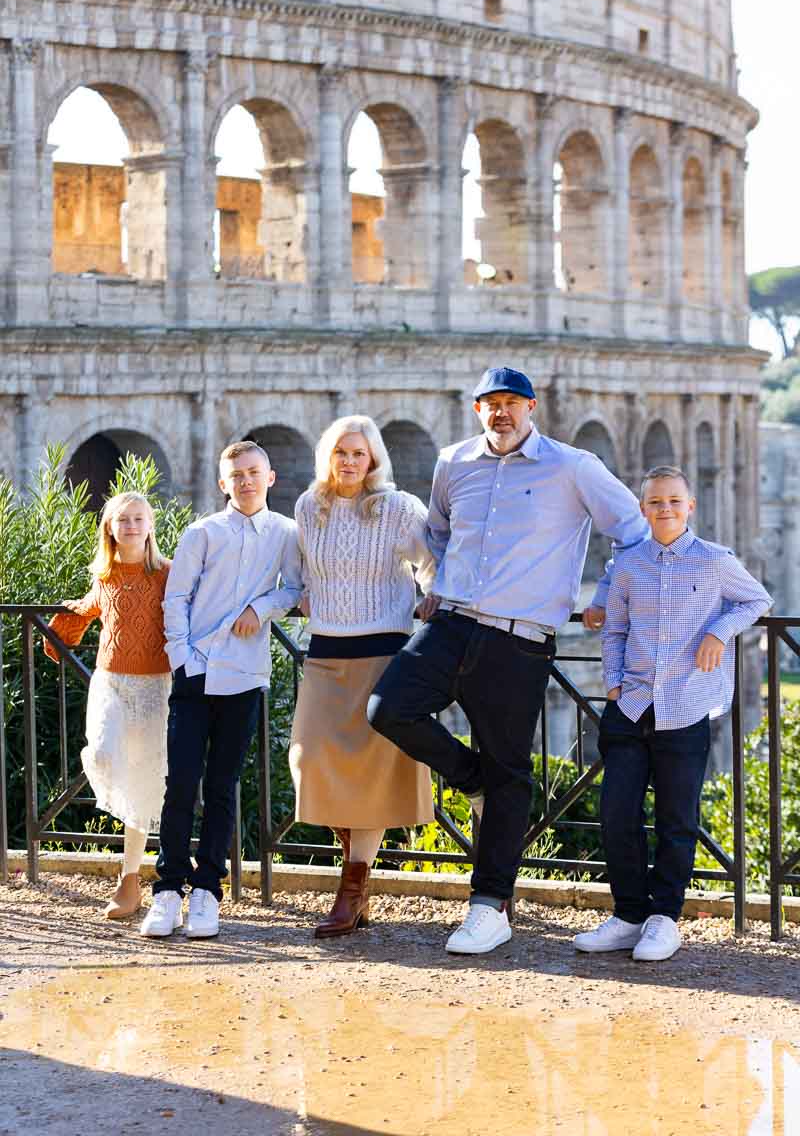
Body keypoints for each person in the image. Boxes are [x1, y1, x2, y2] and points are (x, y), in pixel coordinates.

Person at [367, 366, 650, 955]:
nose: (501, 412)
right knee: (387, 708)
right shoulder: (453, 462)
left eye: (511, 402)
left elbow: (632, 531)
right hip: (452, 622)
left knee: (511, 771)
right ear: (477, 411)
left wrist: (602, 595)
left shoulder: (574, 467)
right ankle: (470, 779)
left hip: (519, 640)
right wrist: (440, 582)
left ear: (531, 406)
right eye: (490, 403)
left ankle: (489, 906)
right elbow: (439, 530)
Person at [574, 465, 772, 961]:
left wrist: (717, 633)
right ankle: (627, 915)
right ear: (643, 509)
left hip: (685, 707)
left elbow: (756, 600)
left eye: (674, 501)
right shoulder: (628, 564)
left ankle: (665, 918)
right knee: (616, 813)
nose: (665, 509)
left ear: (690, 507)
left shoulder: (714, 560)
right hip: (631, 706)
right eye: (655, 502)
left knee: (676, 820)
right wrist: (615, 683)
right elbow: (614, 628)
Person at [140, 440, 302, 939]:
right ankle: (168, 890)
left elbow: (295, 588)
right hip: (195, 673)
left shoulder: (286, 533)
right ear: (222, 483)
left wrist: (264, 607)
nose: (246, 481)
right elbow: (177, 597)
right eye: (237, 475)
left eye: (254, 472)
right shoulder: (201, 532)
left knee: (223, 784)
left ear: (270, 477)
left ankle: (208, 890)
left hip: (245, 676)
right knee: (181, 784)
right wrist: (181, 658)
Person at [291, 416, 436, 937]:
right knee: (307, 759)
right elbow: (301, 570)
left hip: (384, 652)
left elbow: (431, 564)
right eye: (340, 452)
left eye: (358, 453)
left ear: (373, 459)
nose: (349, 461)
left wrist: (432, 598)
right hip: (326, 649)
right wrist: (299, 593)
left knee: (372, 776)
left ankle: (351, 889)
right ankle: (358, 860)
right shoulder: (310, 506)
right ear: (327, 457)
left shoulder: (399, 507)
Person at [44, 491, 171, 920]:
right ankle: (133, 875)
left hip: (156, 687)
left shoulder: (168, 573)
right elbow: (91, 606)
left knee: (144, 778)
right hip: (110, 682)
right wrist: (65, 624)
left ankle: (130, 878)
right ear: (110, 529)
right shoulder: (106, 574)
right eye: (123, 520)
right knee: (101, 753)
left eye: (139, 519)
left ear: (150, 526)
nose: (131, 526)